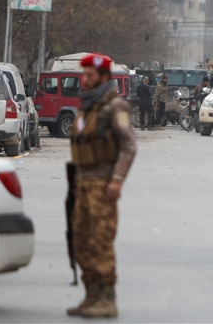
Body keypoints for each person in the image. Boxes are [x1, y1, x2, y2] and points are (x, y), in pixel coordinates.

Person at [66, 53, 137, 318]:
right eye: (83, 75)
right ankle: (91, 295)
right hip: (83, 183)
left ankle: (107, 299)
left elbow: (129, 146)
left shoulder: (114, 107)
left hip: (103, 183)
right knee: (81, 239)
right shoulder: (88, 108)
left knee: (101, 240)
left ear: (105, 78)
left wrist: (117, 180)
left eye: (90, 76)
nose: (84, 80)